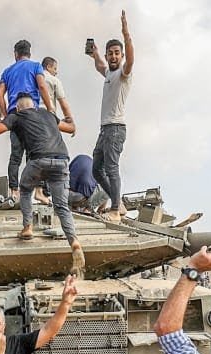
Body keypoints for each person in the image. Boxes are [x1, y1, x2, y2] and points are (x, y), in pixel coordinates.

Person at [0, 95, 82, 273]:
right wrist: (70, 117)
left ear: (18, 108)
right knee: (62, 206)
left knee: (25, 190)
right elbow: (70, 127)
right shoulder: (48, 115)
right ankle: (74, 242)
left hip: (38, 161)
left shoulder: (16, 117)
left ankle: (27, 227)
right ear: (34, 105)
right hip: (61, 161)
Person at [87, 10, 135, 222]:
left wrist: (126, 33)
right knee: (97, 169)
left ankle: (115, 209)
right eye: (110, 53)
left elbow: (132, 59)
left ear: (121, 55)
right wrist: (95, 52)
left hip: (115, 128)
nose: (114, 56)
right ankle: (117, 201)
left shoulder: (124, 74)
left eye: (117, 53)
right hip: (105, 129)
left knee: (111, 167)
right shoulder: (108, 73)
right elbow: (100, 65)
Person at [0, 40, 55, 202]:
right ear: (29, 53)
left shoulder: (8, 71)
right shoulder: (36, 66)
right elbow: (42, 86)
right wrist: (50, 108)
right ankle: (38, 191)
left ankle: (14, 191)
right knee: (37, 154)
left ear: (16, 54)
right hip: (32, 116)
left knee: (15, 155)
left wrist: (4, 112)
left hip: (14, 116)